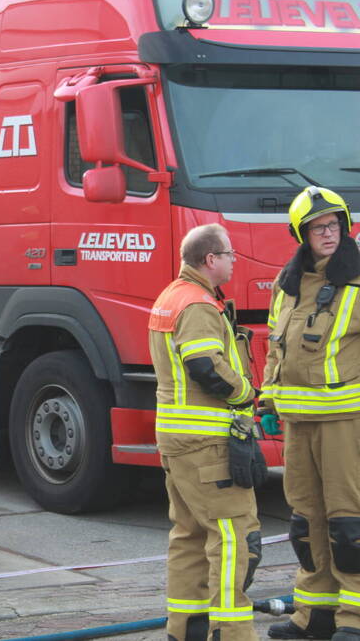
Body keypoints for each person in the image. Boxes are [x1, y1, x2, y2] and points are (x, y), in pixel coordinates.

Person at [148, 223, 265, 641]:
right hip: (207, 442)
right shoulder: (198, 304)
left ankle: (186, 629)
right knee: (235, 536)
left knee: (189, 534)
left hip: (177, 439)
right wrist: (246, 393)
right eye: (230, 254)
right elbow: (204, 365)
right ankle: (231, 632)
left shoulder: (169, 297)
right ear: (210, 260)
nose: (235, 260)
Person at [262, 187, 360, 641]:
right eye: (319, 227)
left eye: (335, 225)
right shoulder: (288, 287)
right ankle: (313, 615)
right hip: (297, 423)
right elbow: (274, 351)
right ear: (301, 234)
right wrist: (266, 401)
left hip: (346, 422)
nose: (329, 233)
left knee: (349, 525)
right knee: (305, 522)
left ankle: (354, 620)